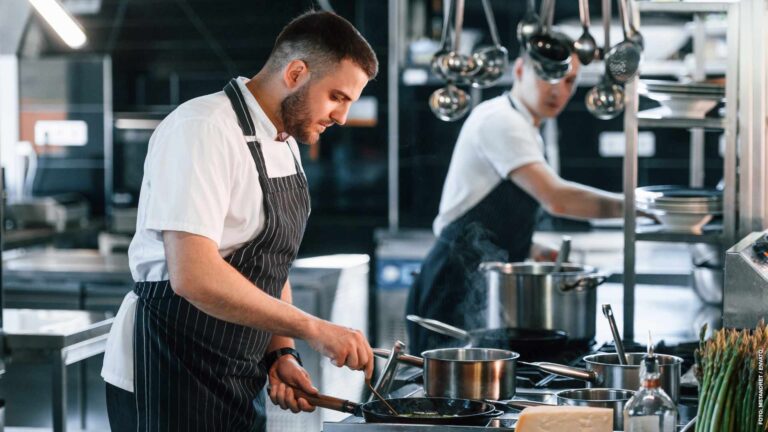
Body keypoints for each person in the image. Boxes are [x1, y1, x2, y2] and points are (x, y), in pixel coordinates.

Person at [101, 11, 378, 432]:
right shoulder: (203, 128)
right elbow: (193, 276)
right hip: (169, 367)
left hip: (236, 374)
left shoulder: (285, 140)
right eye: (337, 96)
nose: (341, 116)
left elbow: (270, 265)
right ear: (297, 72)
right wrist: (312, 328)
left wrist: (280, 352)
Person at [406, 48, 625, 355]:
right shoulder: (501, 120)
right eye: (548, 77)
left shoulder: (525, 128)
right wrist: (634, 207)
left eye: (570, 81)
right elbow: (557, 199)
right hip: (452, 286)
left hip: (479, 288)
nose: (558, 89)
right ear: (520, 70)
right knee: (443, 397)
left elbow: (492, 218)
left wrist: (530, 248)